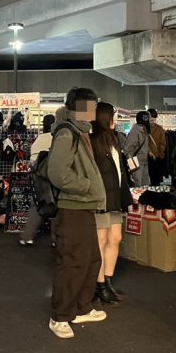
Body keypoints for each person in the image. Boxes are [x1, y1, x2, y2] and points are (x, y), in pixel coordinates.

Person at [46, 87, 107, 339]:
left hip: (82, 207)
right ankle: (60, 316)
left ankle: (81, 307)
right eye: (91, 106)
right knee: (73, 262)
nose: (94, 111)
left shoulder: (80, 132)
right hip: (73, 207)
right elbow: (57, 172)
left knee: (91, 260)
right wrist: (85, 186)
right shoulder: (67, 133)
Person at [90, 102, 133, 306]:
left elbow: (120, 172)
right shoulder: (91, 141)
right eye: (113, 116)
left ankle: (108, 280)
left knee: (115, 238)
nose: (116, 120)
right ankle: (100, 286)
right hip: (100, 198)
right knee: (101, 238)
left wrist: (127, 198)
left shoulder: (114, 140)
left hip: (115, 197)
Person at [19, 114, 56, 246]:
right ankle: (55, 239)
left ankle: (27, 237)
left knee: (37, 205)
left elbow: (32, 159)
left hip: (37, 177)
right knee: (56, 206)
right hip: (52, 176)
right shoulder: (56, 138)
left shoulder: (39, 139)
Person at [123, 111, 151, 187]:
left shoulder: (144, 130)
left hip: (144, 161)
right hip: (136, 162)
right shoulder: (136, 131)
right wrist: (132, 164)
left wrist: (149, 152)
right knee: (138, 184)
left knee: (145, 184)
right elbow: (128, 149)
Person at [147, 108, 167, 186]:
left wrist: (159, 153)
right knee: (153, 180)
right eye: (151, 120)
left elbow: (163, 143)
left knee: (155, 179)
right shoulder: (144, 129)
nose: (152, 122)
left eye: (154, 120)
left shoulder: (159, 129)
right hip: (150, 157)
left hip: (155, 158)